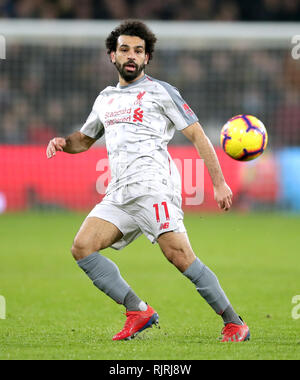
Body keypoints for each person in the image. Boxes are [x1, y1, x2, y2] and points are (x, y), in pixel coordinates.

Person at [46, 20, 250, 342]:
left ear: (147, 58)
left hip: (154, 187)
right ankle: (137, 310)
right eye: (124, 49)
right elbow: (84, 140)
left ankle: (234, 322)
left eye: (138, 51)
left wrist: (219, 182)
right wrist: (62, 142)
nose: (131, 56)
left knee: (180, 257)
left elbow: (198, 136)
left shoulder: (161, 92)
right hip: (119, 192)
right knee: (83, 247)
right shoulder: (105, 99)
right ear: (112, 55)